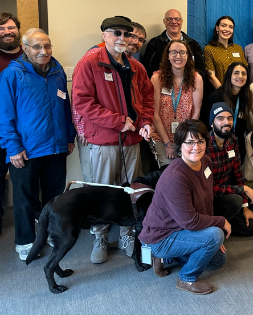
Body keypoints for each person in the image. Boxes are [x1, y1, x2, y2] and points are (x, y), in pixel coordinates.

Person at [73, 16, 155, 264]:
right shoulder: (89, 64)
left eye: (127, 34)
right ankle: (99, 236)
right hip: (104, 142)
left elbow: (147, 100)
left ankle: (127, 234)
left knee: (130, 190)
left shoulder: (137, 68)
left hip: (131, 143)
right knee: (102, 192)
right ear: (105, 35)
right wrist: (118, 121)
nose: (123, 38)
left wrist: (145, 122)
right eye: (117, 33)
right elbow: (83, 103)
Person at [0, 28, 75, 260]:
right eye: (37, 47)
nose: (44, 51)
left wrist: (69, 137)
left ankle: (51, 232)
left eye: (47, 46)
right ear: (25, 49)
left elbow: (66, 107)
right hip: (26, 149)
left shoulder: (58, 71)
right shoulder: (12, 74)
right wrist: (12, 147)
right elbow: (4, 115)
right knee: (24, 198)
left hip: (56, 146)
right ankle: (25, 240)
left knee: (54, 196)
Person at [139, 120, 229, 295]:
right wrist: (219, 223)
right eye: (189, 142)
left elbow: (207, 200)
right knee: (215, 235)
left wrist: (210, 237)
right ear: (180, 145)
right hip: (162, 235)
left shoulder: (206, 163)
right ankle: (186, 278)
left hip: (182, 229)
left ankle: (166, 258)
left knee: (219, 260)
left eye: (200, 141)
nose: (196, 147)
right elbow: (191, 222)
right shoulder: (176, 177)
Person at [207, 103, 253, 236]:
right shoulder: (203, 147)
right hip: (206, 200)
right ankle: (211, 228)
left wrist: (245, 206)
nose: (226, 122)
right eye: (220, 118)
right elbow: (207, 188)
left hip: (224, 195)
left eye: (229, 118)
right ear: (212, 123)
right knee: (234, 200)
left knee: (250, 228)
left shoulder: (232, 140)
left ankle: (221, 224)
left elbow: (238, 174)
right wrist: (243, 190)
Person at [150, 40, 203, 167]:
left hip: (185, 137)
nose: (178, 56)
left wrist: (185, 140)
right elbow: (154, 114)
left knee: (187, 168)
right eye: (173, 52)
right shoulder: (157, 78)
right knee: (169, 169)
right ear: (167, 56)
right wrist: (168, 144)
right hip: (161, 137)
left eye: (182, 52)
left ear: (188, 56)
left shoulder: (196, 79)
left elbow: (196, 113)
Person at [0, 12, 22, 238]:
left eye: (10, 27)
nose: (7, 32)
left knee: (25, 184)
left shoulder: (30, 54)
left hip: (25, 134)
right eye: (1, 28)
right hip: (1, 129)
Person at [203, 62, 252, 160]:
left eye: (244, 73)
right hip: (217, 147)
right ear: (229, 75)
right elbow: (206, 124)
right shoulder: (216, 97)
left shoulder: (247, 96)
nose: (240, 76)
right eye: (236, 73)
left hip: (237, 146)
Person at [143, 9, 205, 80]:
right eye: (169, 19)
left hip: (189, 86)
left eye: (177, 19)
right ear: (164, 21)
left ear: (181, 21)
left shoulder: (193, 44)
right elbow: (150, 69)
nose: (174, 21)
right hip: (163, 87)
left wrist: (186, 83)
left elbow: (201, 68)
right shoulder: (154, 43)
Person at [204, 16, 247, 89]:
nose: (227, 29)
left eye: (230, 27)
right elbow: (211, 76)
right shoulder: (209, 49)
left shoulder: (238, 49)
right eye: (223, 26)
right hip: (221, 92)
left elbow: (244, 70)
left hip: (239, 91)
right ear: (217, 28)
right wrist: (223, 93)